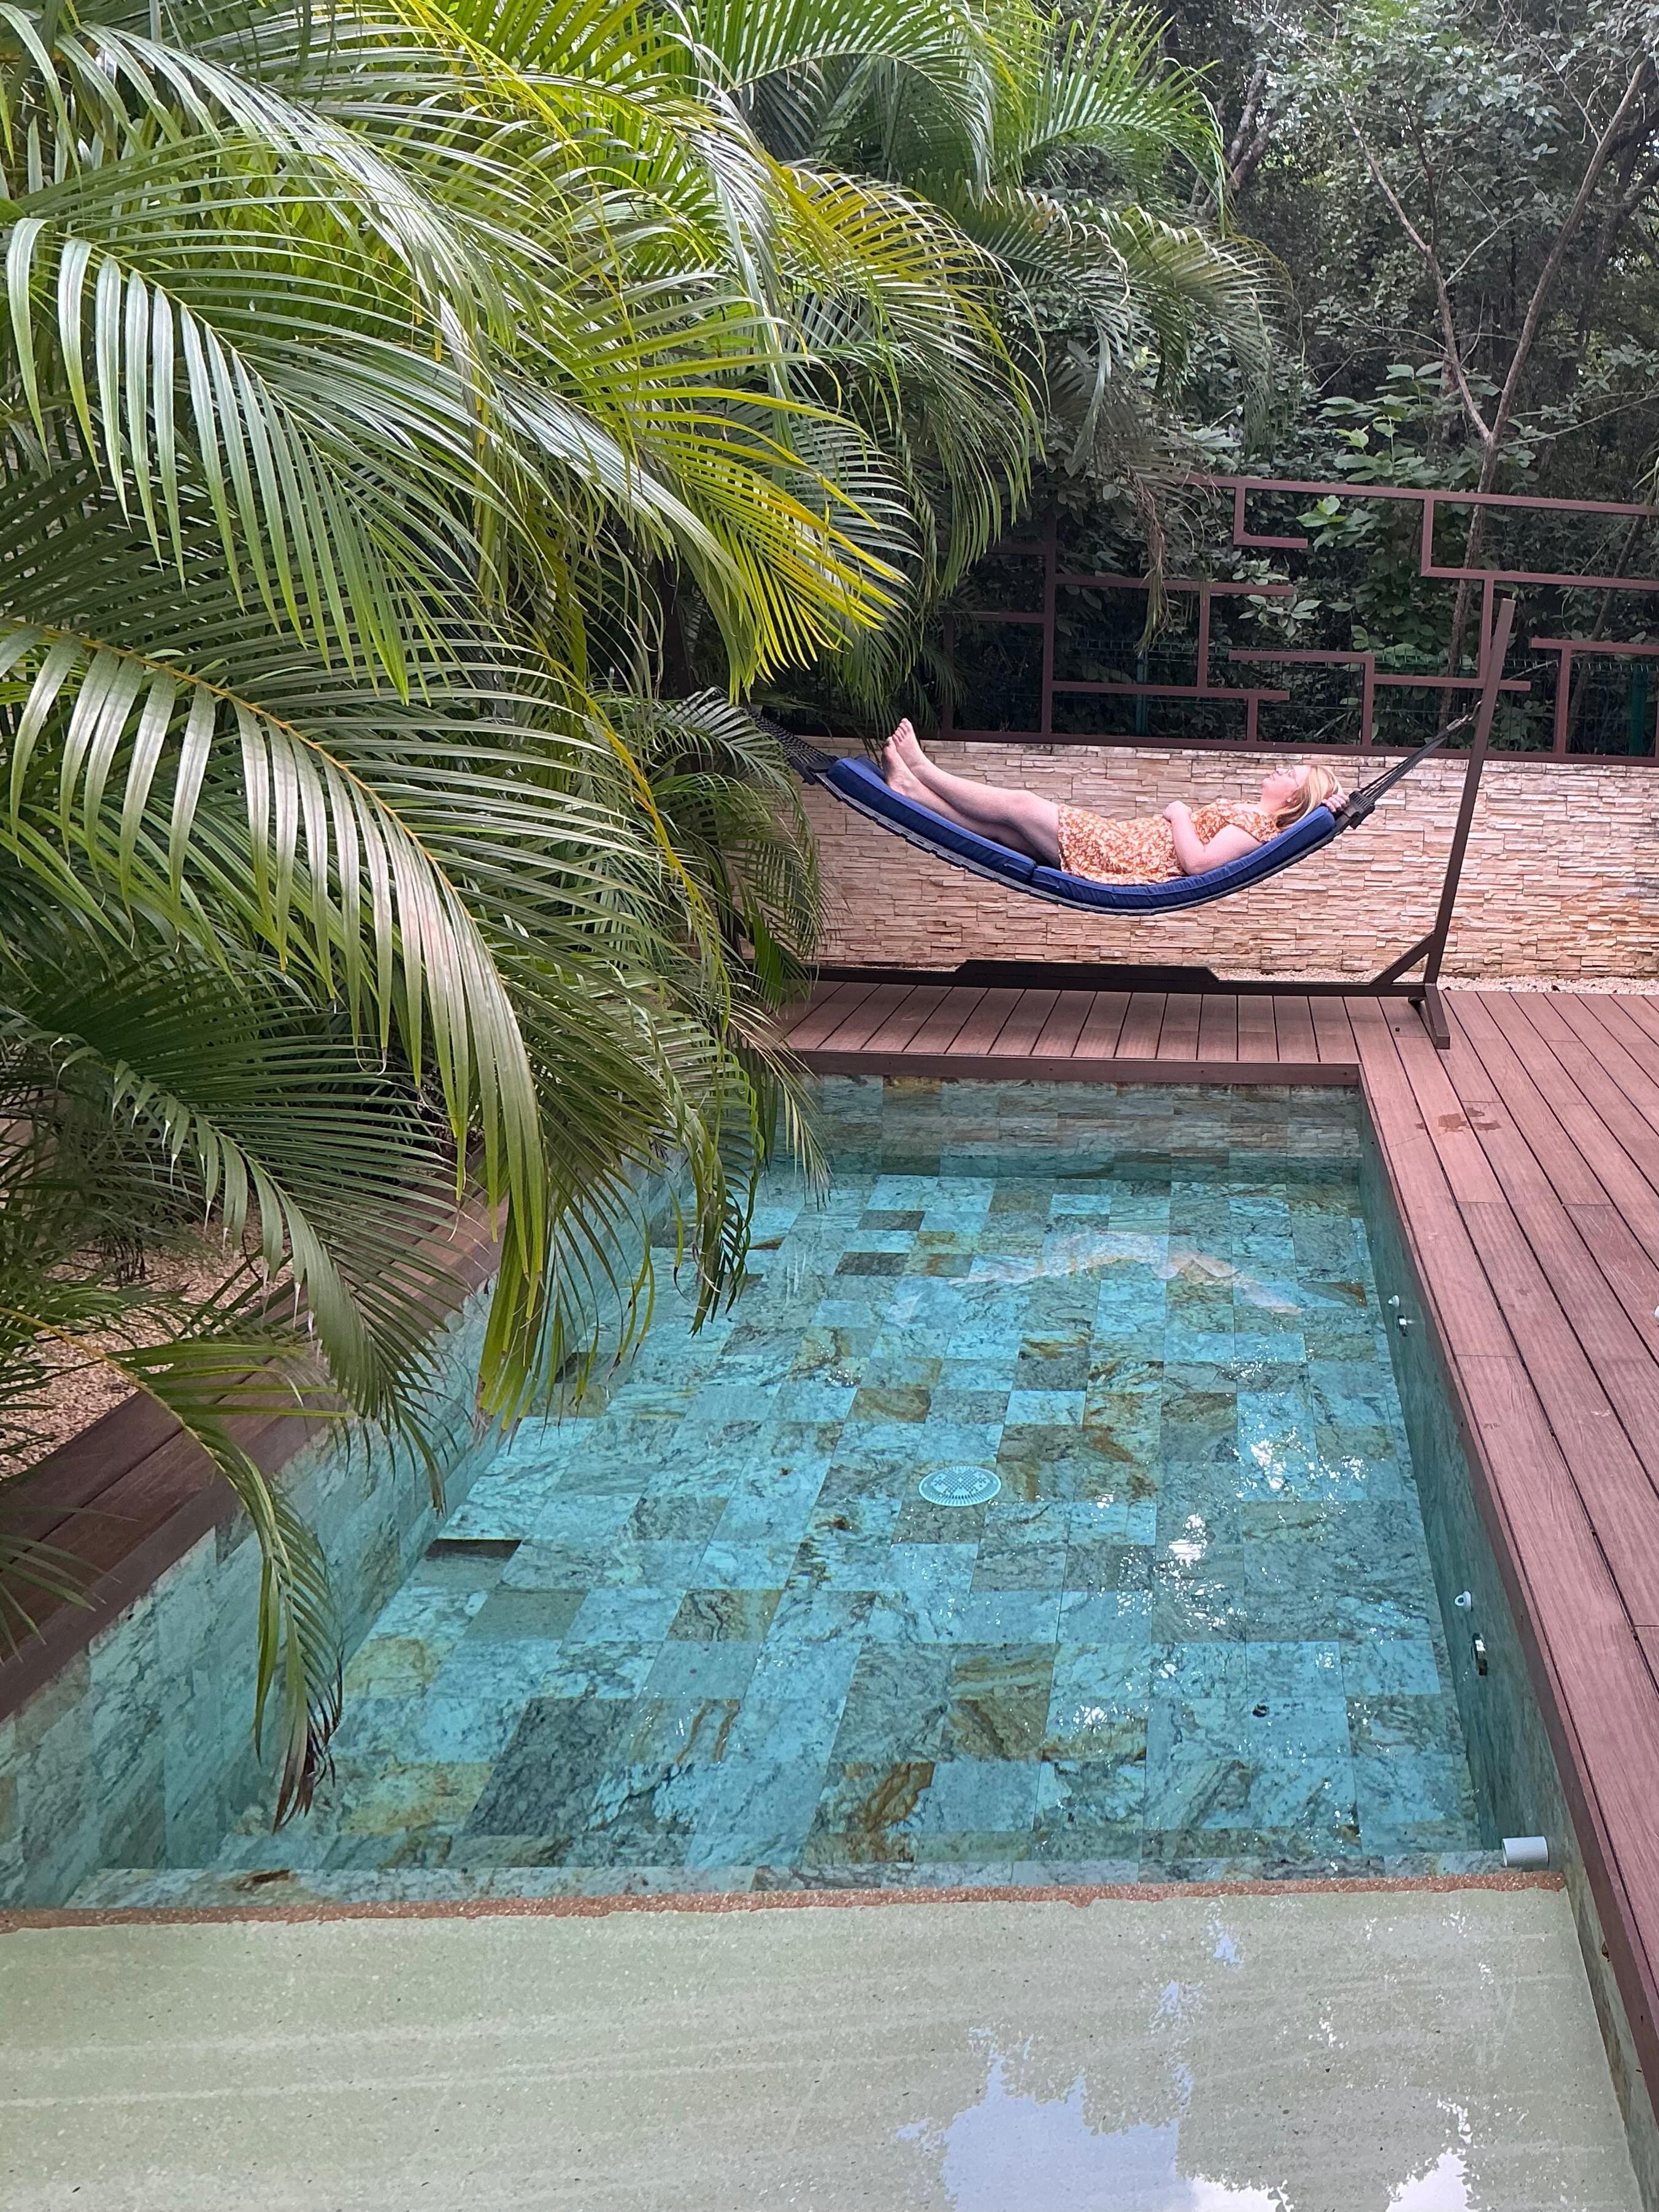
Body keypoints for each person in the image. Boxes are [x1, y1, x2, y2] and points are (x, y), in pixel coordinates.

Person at [879, 720, 1345, 884]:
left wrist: (1181, 813)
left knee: (1020, 805)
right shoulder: (1255, 820)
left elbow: (1200, 864)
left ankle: (925, 772)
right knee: (1005, 832)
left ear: (1295, 799)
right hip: (1123, 841)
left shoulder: (1257, 827)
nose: (1281, 770)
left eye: (1292, 775)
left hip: (1120, 853)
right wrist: (1335, 805)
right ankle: (914, 793)